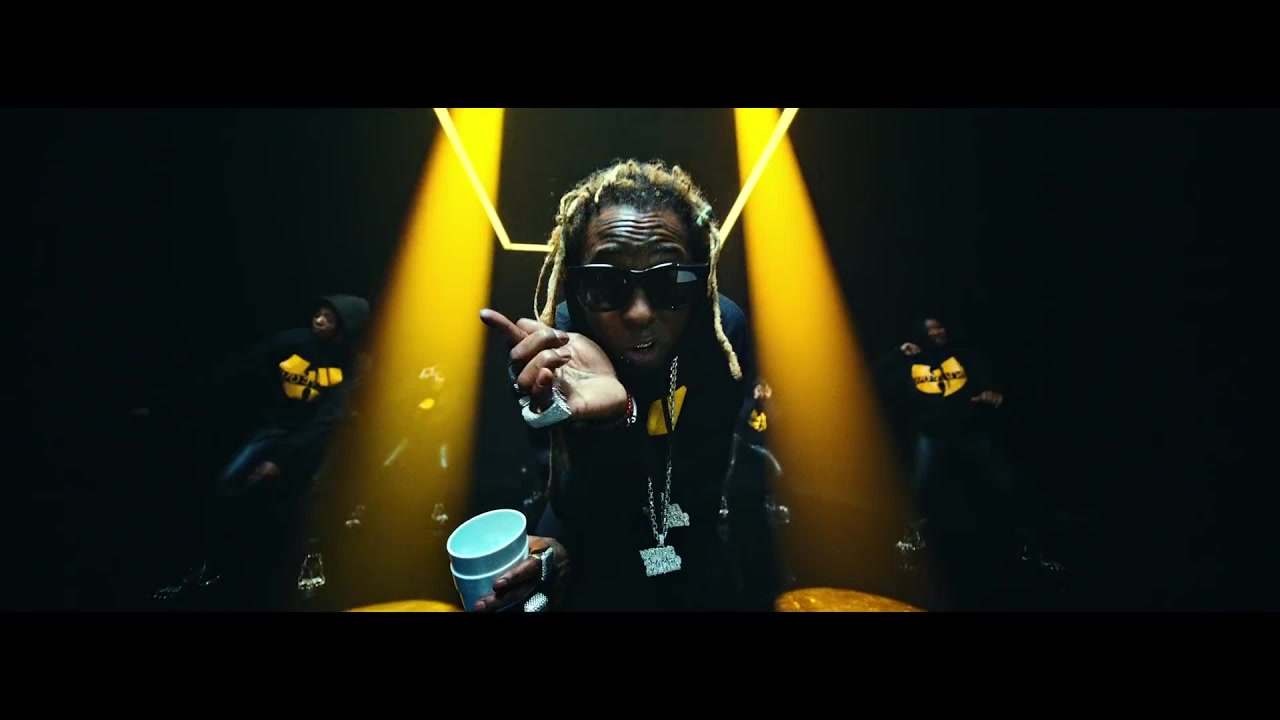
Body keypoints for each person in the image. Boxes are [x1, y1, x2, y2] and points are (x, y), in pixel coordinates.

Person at [477, 159, 759, 612]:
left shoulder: (719, 332)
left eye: (672, 280)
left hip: (688, 532)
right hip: (596, 535)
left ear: (701, 281)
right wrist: (553, 553)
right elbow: (564, 496)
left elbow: (702, 473)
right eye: (606, 283)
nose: (640, 314)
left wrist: (628, 411)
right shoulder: (553, 356)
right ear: (574, 286)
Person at [144, 294, 370, 603]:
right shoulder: (292, 342)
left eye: (329, 319)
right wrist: (163, 404)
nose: (319, 321)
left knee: (312, 503)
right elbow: (238, 366)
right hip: (276, 427)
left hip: (318, 440)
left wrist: (280, 460)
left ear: (344, 327)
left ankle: (310, 568)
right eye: (319, 313)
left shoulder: (351, 365)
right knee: (227, 485)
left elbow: (327, 423)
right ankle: (209, 565)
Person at [874, 314, 1034, 559]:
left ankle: (1027, 540)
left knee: (1003, 481)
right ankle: (911, 539)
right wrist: (897, 353)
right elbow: (874, 376)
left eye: (939, 327)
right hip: (931, 434)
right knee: (920, 488)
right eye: (930, 329)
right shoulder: (909, 360)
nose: (936, 333)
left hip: (969, 431)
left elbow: (990, 382)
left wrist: (993, 394)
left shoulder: (965, 354)